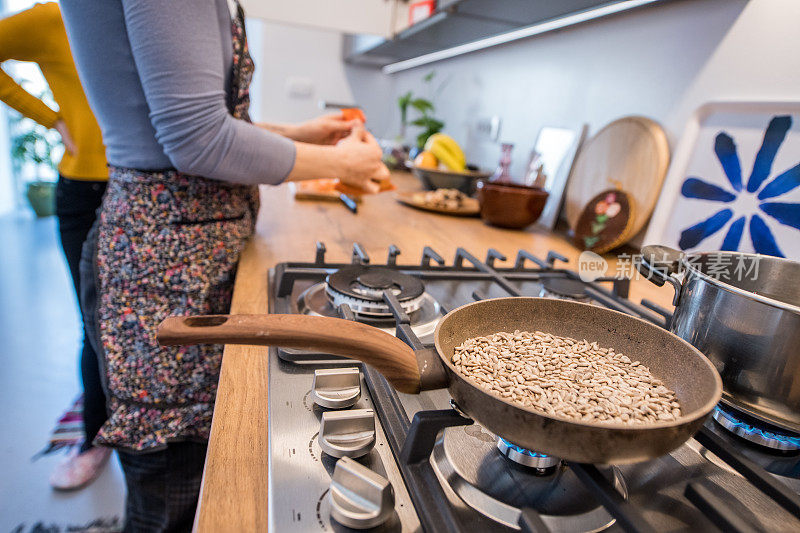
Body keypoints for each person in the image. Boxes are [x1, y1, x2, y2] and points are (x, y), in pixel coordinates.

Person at [59, 0, 389, 530]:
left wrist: (299, 135)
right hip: (167, 266)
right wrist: (341, 163)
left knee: (180, 475)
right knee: (172, 485)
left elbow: (200, 121)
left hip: (176, 255)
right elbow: (196, 139)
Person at [0, 2, 111, 490]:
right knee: (94, 322)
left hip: (150, 187)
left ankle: (135, 427)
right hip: (84, 190)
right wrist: (50, 118)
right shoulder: (52, 18)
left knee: (145, 327)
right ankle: (93, 439)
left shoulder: (145, 17)